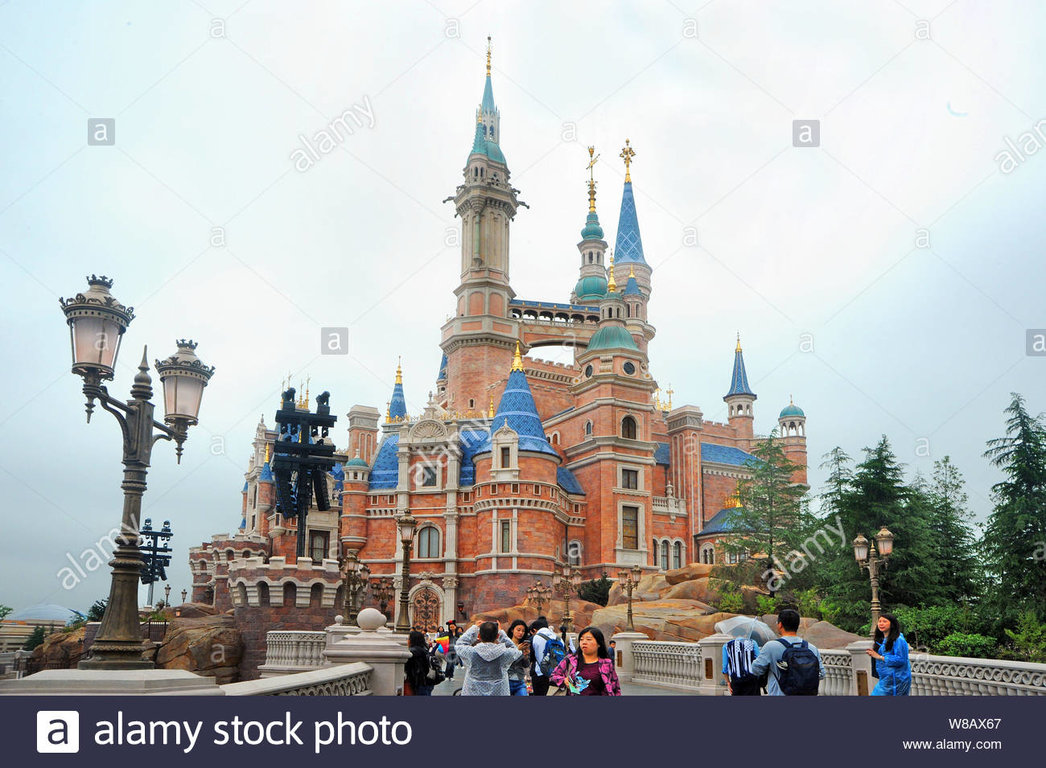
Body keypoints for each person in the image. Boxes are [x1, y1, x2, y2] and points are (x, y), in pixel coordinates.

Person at [751, 608, 825, 696]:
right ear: (797, 625)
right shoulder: (811, 648)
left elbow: (755, 670)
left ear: (780, 625)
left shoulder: (771, 646)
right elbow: (821, 674)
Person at [455, 620, 521, 696]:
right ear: (497, 636)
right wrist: (502, 633)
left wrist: (474, 628)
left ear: (479, 636)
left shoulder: (472, 653)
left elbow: (459, 644)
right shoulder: (504, 653)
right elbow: (515, 650)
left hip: (473, 692)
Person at [550, 626, 621, 696]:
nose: (584, 642)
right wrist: (564, 681)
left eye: (588, 639)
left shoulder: (606, 663)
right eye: (581, 639)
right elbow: (553, 676)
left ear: (599, 643)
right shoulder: (570, 660)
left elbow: (615, 688)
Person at [868, 613, 911, 696]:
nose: (881, 623)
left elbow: (901, 659)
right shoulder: (882, 640)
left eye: (884, 621)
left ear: (892, 624)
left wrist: (879, 657)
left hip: (896, 681)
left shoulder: (898, 639)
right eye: (879, 621)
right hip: (886, 680)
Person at [529, 617, 560, 697]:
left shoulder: (534, 638)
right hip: (556, 673)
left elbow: (531, 658)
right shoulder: (557, 637)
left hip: (539, 674)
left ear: (534, 630)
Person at [404, 630, 435, 696]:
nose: (407, 641)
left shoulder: (413, 652)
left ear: (412, 640)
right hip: (427, 681)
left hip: (419, 682)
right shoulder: (424, 649)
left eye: (408, 638)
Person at [505, 619, 531, 696]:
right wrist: (517, 650)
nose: (521, 633)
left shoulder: (523, 645)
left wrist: (526, 656)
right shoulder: (506, 644)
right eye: (518, 630)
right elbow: (506, 661)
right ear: (512, 630)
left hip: (519, 679)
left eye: (523, 631)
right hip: (507, 679)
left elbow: (526, 665)